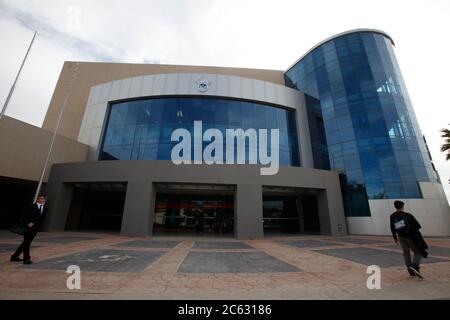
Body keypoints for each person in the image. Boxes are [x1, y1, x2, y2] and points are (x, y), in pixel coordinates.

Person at [390, 200, 428, 279]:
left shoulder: (392, 216)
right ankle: (415, 266)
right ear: (402, 206)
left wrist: (395, 238)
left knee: (406, 253)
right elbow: (418, 226)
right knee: (418, 252)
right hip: (410, 237)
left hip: (400, 237)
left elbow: (392, 227)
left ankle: (411, 272)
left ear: (395, 207)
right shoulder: (408, 215)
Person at [11, 194, 47, 265]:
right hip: (29, 228)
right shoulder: (31, 206)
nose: (40, 200)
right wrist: (28, 223)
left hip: (36, 229)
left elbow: (41, 218)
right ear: (37, 199)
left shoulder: (45, 207)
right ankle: (26, 259)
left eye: (42, 199)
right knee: (27, 243)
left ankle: (14, 256)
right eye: (39, 198)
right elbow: (24, 215)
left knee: (26, 242)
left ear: (45, 200)